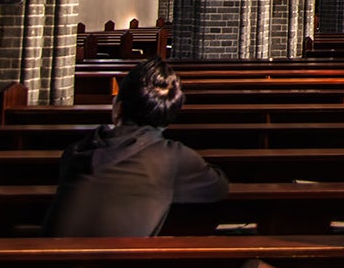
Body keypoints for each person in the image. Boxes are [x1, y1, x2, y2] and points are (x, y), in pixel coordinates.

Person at [44, 60, 227, 236]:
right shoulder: (172, 158)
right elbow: (218, 188)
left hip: (47, 264)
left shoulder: (77, 150)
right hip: (113, 266)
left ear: (118, 108)